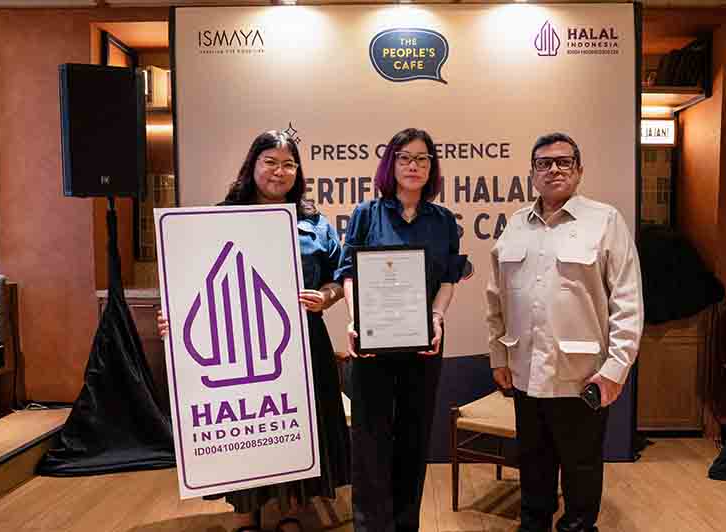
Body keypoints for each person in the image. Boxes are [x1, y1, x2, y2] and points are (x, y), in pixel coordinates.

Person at [158, 130, 351, 532]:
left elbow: (339, 277)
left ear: (298, 172)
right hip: (236, 345)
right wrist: (174, 317)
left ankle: (292, 509)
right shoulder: (216, 218)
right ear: (253, 165)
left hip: (303, 342)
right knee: (246, 428)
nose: (279, 171)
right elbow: (190, 279)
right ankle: (244, 513)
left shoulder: (314, 223)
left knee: (294, 426)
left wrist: (326, 297)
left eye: (289, 164)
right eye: (270, 162)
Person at [485, 132, 644, 532]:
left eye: (563, 161)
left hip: (582, 377)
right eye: (544, 163)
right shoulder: (515, 225)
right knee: (533, 466)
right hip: (525, 373)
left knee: (581, 470)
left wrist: (615, 369)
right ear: (532, 173)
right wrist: (498, 357)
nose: (553, 169)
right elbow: (496, 298)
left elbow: (627, 301)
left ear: (579, 170)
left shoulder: (605, 221)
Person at [335, 127, 465, 532]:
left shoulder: (443, 221)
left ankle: (406, 524)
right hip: (373, 343)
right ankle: (371, 526)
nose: (413, 165)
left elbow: (449, 278)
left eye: (422, 158)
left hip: (425, 342)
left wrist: (437, 317)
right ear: (391, 164)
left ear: (432, 167)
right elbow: (349, 273)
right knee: (370, 440)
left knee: (414, 436)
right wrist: (356, 320)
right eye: (405, 157)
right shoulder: (366, 214)